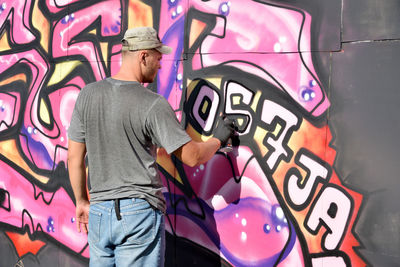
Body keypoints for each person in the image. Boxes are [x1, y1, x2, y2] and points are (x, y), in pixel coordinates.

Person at [67, 26, 235, 267]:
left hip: (99, 213)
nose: (160, 64)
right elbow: (191, 156)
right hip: (138, 213)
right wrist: (218, 138)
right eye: (158, 57)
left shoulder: (87, 96)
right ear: (142, 55)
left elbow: (74, 158)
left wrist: (82, 201)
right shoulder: (151, 104)